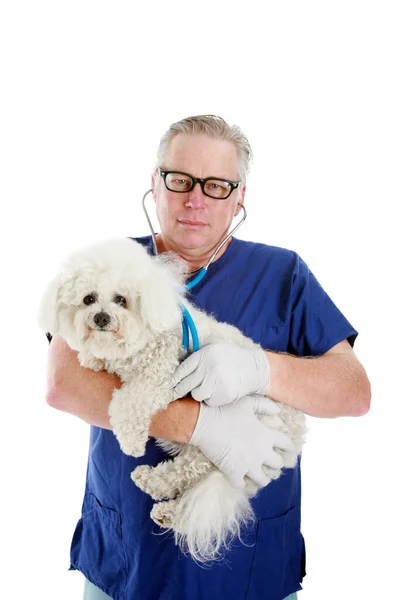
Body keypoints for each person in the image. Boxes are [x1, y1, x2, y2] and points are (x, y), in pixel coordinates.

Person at [45, 115, 371, 600]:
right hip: (125, 555)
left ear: (240, 197)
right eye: (180, 180)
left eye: (217, 185)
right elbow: (63, 385)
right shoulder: (109, 265)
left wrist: (262, 368)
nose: (195, 200)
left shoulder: (284, 274)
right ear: (154, 184)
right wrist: (201, 428)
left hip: (251, 564)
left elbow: (354, 391)